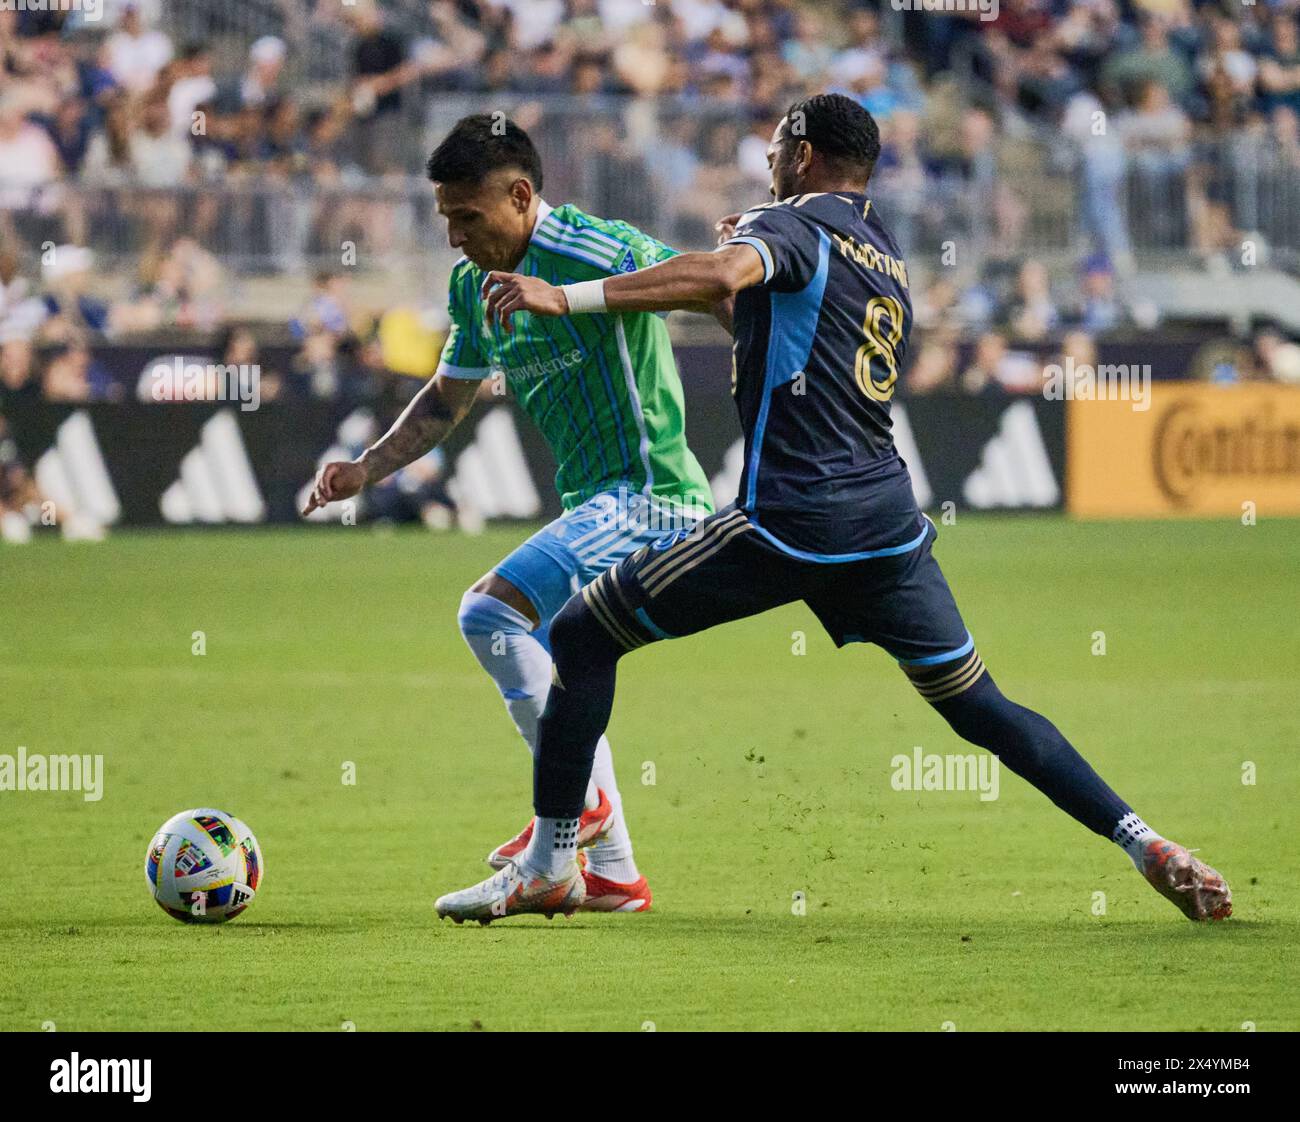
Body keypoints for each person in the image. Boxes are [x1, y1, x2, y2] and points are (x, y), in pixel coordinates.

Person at [433, 93, 1232, 925]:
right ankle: (1146, 842)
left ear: (805, 153)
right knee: (982, 706)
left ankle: (554, 861)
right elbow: (770, 314)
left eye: (777, 143)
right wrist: (753, 247)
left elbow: (718, 279)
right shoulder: (879, 248)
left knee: (578, 634)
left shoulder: (794, 223)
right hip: (887, 529)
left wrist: (569, 296)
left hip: (792, 519)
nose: (769, 159)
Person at [303, 115, 720, 913]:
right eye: (447, 220)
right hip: (596, 504)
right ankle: (614, 876)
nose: (457, 237)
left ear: (522, 196)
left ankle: (573, 814)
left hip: (654, 499)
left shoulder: (598, 248)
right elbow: (444, 400)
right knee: (571, 661)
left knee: (491, 612)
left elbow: (707, 281)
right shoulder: (472, 288)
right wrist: (366, 467)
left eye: (470, 216)